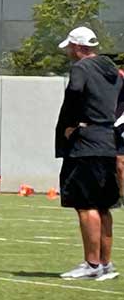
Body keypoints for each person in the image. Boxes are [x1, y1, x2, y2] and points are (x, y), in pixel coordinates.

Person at [55, 26, 121, 281]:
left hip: (86, 143)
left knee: (86, 205)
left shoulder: (81, 69)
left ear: (79, 47)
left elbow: (74, 93)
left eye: (71, 46)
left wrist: (71, 123)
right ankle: (105, 263)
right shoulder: (112, 71)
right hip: (107, 141)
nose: (70, 51)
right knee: (104, 206)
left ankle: (92, 264)